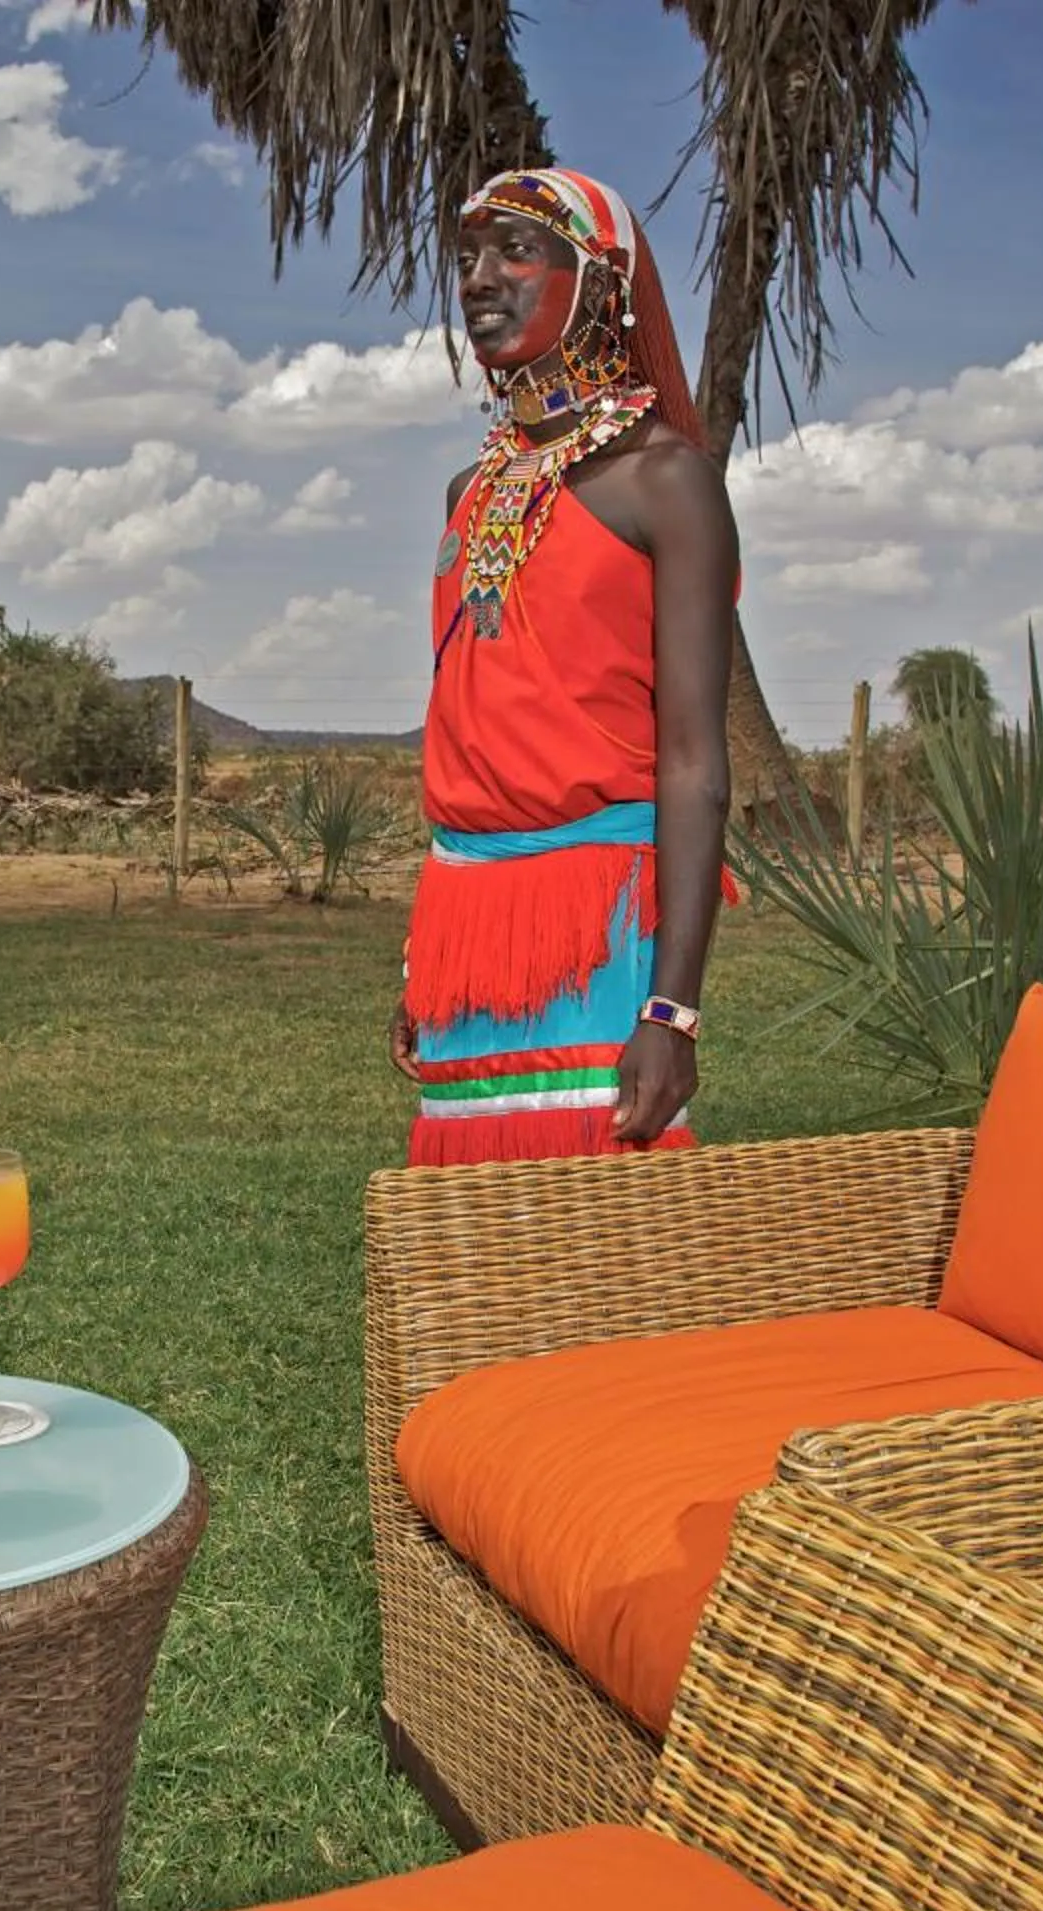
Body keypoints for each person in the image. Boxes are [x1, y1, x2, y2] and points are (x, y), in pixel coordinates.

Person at [391, 165, 738, 1167]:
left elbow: (693, 763)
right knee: (475, 1239)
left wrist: (673, 1012)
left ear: (604, 282)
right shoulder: (470, 489)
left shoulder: (667, 481)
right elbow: (469, 731)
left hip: (602, 919)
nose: (479, 279)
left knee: (598, 1234)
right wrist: (426, 958)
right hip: (468, 918)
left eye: (519, 250)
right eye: (466, 258)